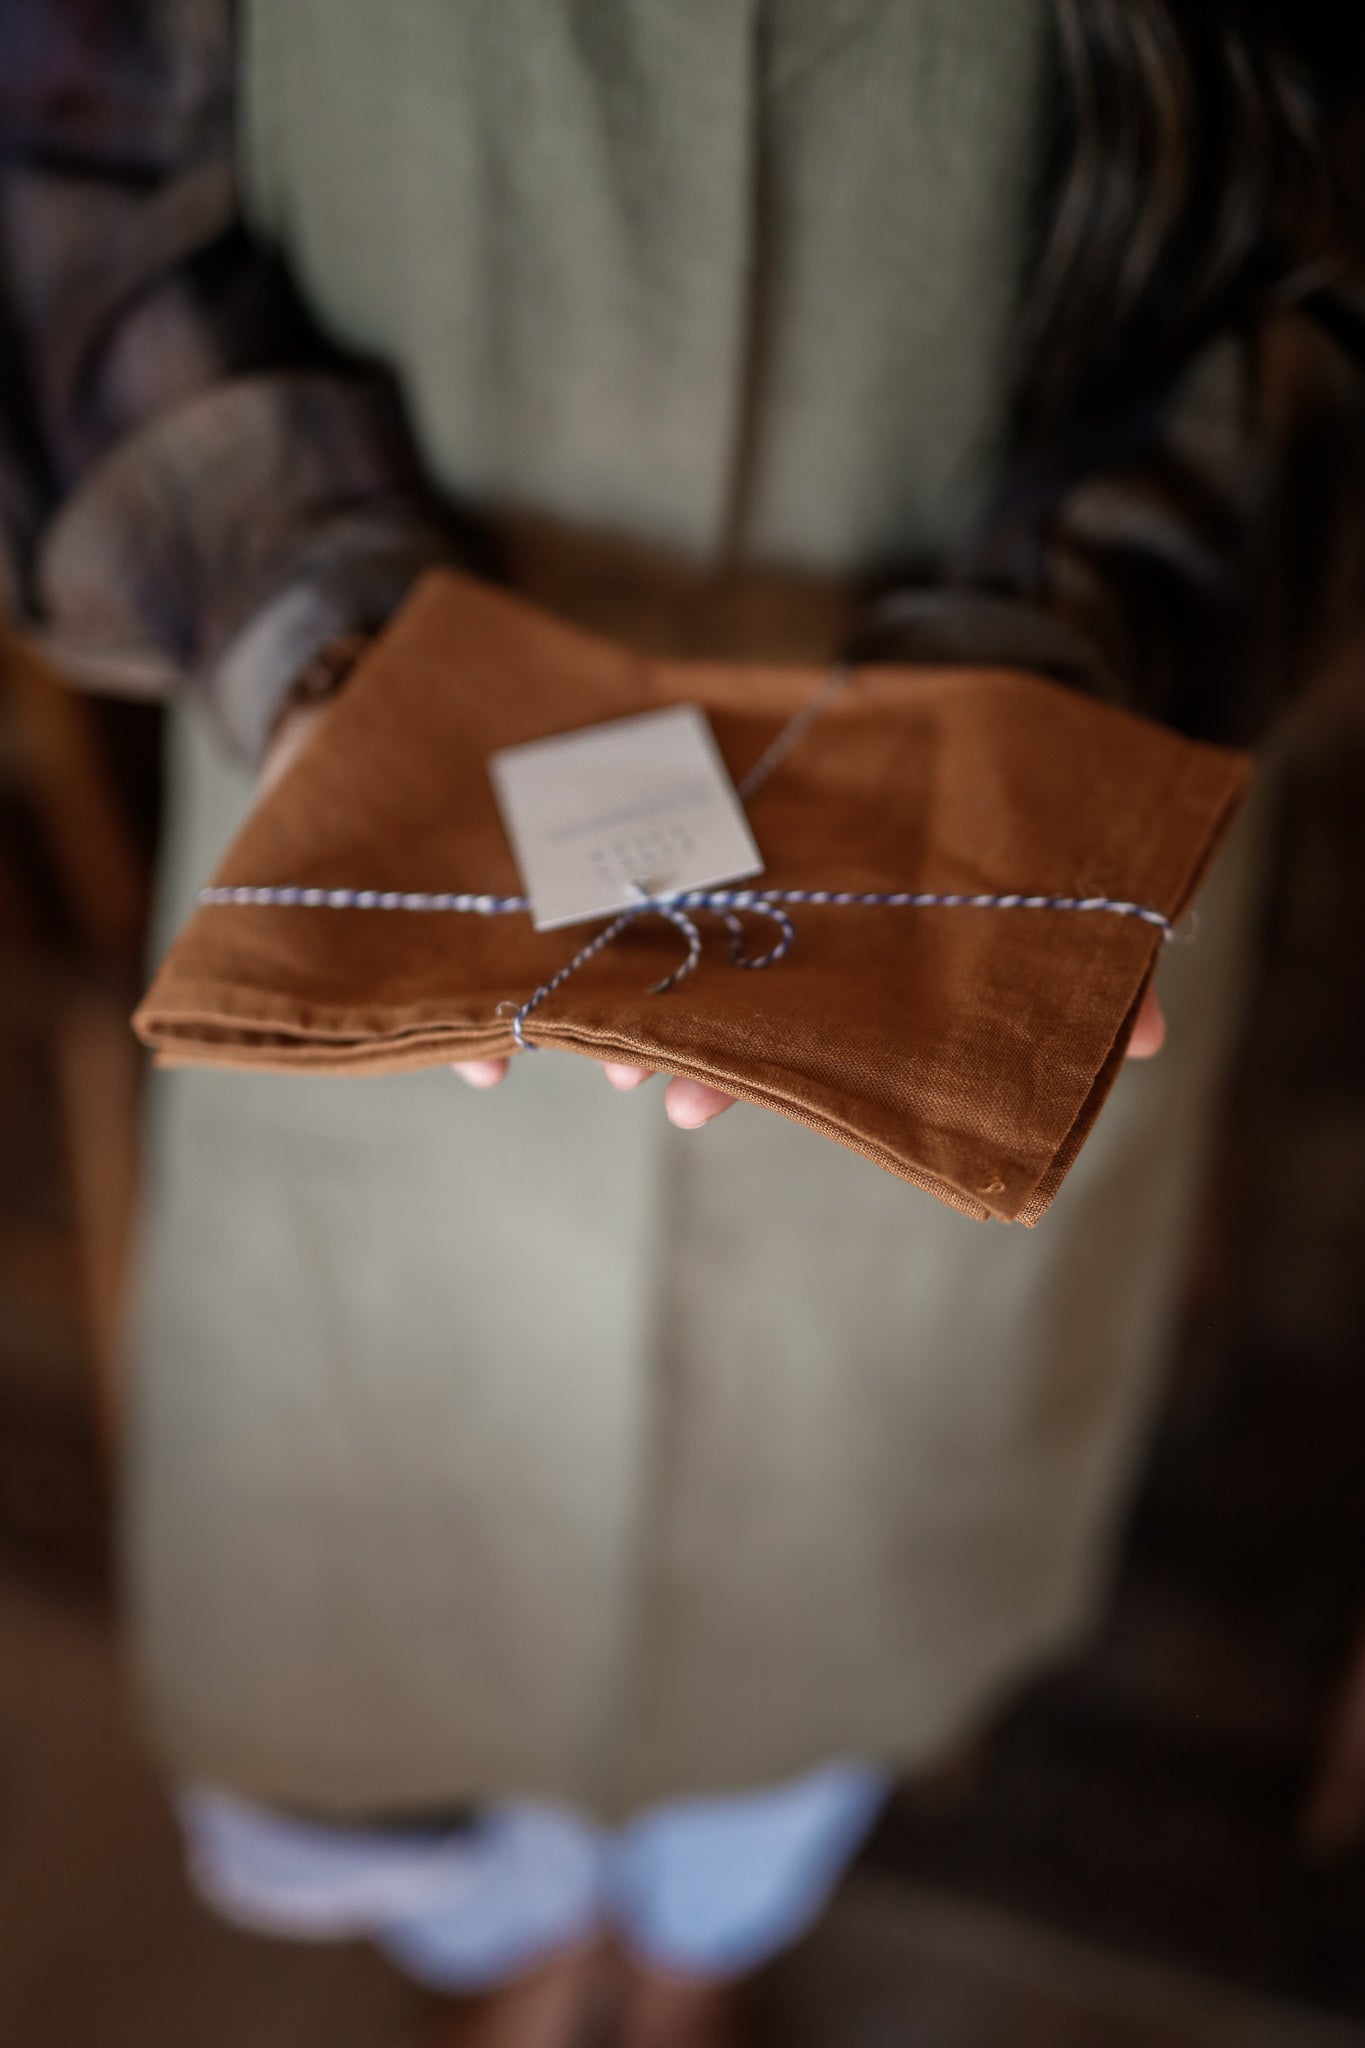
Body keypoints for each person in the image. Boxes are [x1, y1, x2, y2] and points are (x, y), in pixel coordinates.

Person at [2, 4, 1361, 2043]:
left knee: (830, 1562)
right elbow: (73, 148)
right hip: (373, 748)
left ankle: (704, 1937)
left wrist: (1082, 651)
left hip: (1010, 788)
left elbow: (1313, 207)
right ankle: (525, 1958)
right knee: (398, 1567)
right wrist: (310, 627)